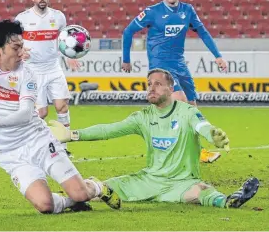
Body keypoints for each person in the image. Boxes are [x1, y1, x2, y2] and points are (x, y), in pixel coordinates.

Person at [0, 20, 121, 214]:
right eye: (16, 47)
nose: (22, 53)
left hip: (37, 140)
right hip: (9, 152)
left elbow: (27, 114)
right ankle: (70, 203)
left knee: (80, 193)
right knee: (45, 205)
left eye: (22, 46)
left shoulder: (26, 74)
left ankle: (96, 187)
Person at [49, 68, 260, 209]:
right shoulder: (143, 117)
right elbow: (109, 129)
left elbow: (202, 126)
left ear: (171, 89)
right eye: (149, 83)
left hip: (181, 183)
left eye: (158, 84)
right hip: (147, 181)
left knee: (202, 191)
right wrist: (72, 135)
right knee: (98, 189)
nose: (151, 87)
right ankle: (62, 202)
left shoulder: (186, 112)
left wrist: (213, 135)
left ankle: (229, 201)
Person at [121, 0, 227, 163]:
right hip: (160, 65)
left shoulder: (188, 10)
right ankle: (170, 149)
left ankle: (197, 152)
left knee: (192, 109)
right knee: (180, 101)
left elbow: (203, 32)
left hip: (179, 64)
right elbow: (128, 31)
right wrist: (126, 59)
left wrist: (218, 56)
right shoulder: (152, 12)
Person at [15, 0, 78, 158]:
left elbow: (64, 41)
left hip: (53, 68)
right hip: (33, 70)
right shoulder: (22, 18)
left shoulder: (59, 17)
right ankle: (31, 145)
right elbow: (13, 40)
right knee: (41, 113)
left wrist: (69, 56)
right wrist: (20, 51)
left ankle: (63, 147)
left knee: (62, 106)